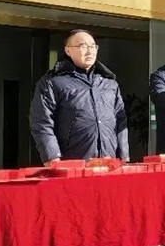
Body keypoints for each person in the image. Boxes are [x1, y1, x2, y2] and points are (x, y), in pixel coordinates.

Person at [30, 29, 129, 165]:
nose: (90, 51)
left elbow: (120, 120)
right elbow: (42, 121)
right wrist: (52, 158)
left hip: (108, 161)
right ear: (68, 50)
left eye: (93, 46)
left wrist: (124, 156)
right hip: (72, 162)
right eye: (83, 46)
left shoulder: (109, 83)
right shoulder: (52, 82)